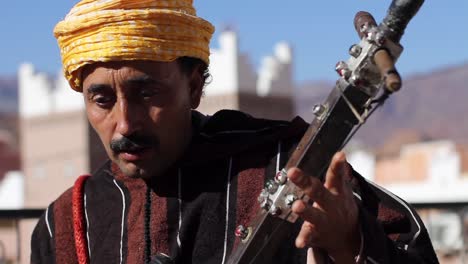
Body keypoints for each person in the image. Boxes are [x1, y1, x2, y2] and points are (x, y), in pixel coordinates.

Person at [31, 1, 438, 263]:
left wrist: (352, 240)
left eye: (147, 93)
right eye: (101, 100)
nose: (125, 124)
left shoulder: (290, 167)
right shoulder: (67, 224)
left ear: (193, 87)